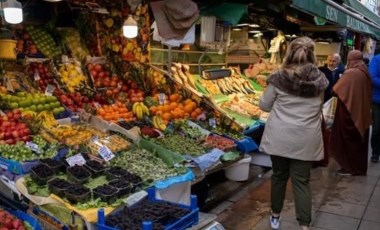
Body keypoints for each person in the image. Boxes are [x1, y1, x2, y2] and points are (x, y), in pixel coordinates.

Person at [259, 37, 328, 230]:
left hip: (280, 137)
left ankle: (275, 217)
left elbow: (264, 105)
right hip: (306, 138)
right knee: (302, 182)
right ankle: (304, 226)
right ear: (312, 54)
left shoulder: (279, 77)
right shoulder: (320, 80)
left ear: (289, 53)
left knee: (279, 176)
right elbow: (319, 105)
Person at [330, 50, 372, 175]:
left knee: (348, 141)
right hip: (361, 112)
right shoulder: (364, 71)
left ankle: (350, 167)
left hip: (349, 113)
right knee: (359, 142)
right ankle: (358, 168)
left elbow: (336, 90)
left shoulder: (351, 73)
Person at [369, 54, 380, 162]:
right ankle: (375, 152)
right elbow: (372, 77)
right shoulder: (377, 59)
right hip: (378, 100)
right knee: (377, 128)